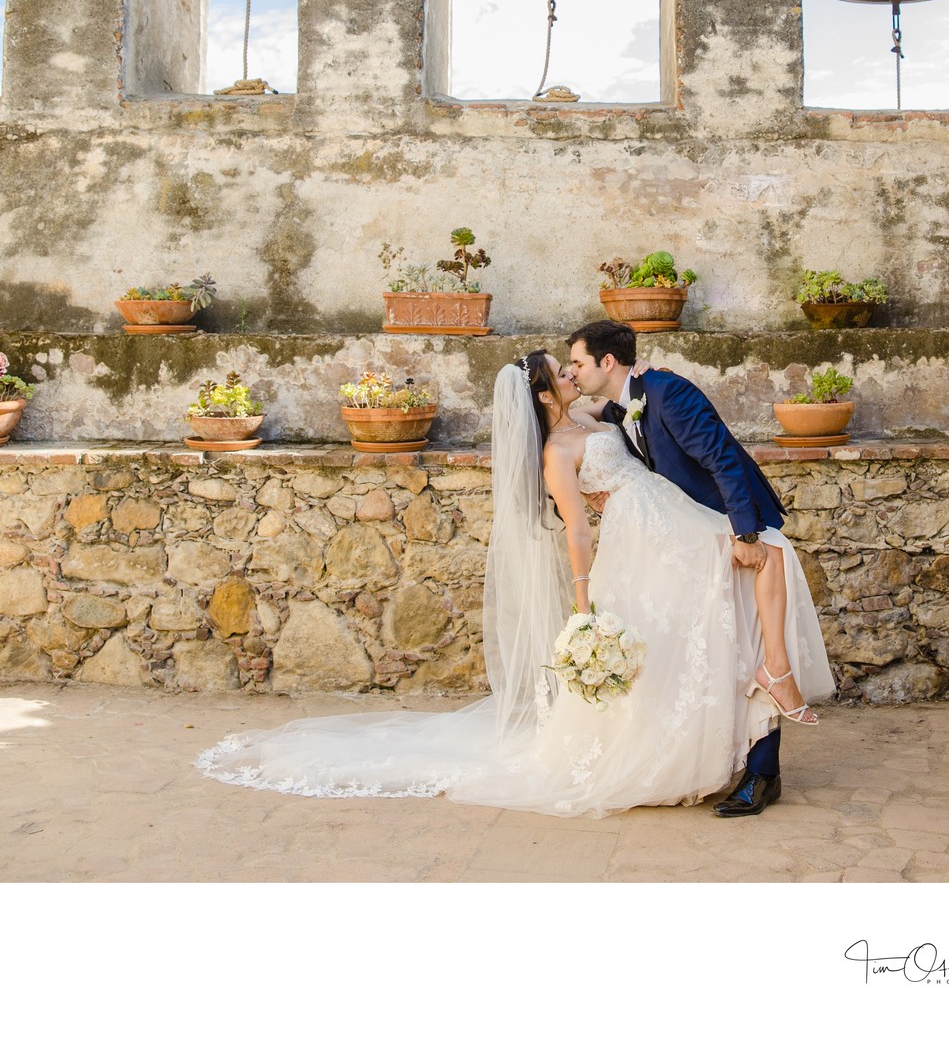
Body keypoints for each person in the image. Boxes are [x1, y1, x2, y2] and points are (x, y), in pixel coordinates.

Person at [196, 351, 827, 820]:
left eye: (574, 363)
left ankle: (758, 727)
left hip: (668, 521)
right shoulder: (555, 449)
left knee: (732, 604)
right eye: (562, 368)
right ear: (547, 388)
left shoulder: (595, 412)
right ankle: (715, 742)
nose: (570, 372)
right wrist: (584, 608)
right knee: (692, 631)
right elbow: (576, 530)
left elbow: (642, 427)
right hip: (640, 543)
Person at [567, 319, 833, 816]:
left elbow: (722, 459)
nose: (573, 373)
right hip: (684, 540)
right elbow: (603, 428)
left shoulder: (669, 392)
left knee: (752, 638)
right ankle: (740, 753)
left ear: (607, 362)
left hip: (728, 527)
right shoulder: (626, 401)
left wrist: (746, 535)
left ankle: (763, 772)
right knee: (722, 648)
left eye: (578, 363)